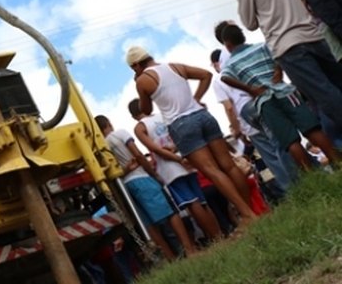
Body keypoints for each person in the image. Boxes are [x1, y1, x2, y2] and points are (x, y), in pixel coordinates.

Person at [126, 46, 258, 225]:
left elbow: (146, 109)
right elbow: (206, 75)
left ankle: (247, 215)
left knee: (212, 171)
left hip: (181, 124)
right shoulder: (175, 66)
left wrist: (139, 84)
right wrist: (196, 99)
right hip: (203, 116)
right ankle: (251, 211)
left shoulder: (143, 80)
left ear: (136, 65)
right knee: (228, 165)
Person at [222, 0, 342, 133]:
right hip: (313, 35)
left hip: (287, 45)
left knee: (322, 93)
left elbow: (249, 23)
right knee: (337, 81)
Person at [218, 24, 338, 172]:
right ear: (243, 37)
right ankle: (338, 161)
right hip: (285, 92)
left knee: (291, 141)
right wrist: (278, 70)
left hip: (264, 102)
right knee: (312, 129)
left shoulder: (230, 63)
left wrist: (250, 89)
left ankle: (314, 175)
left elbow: (224, 77)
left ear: (227, 45)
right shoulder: (262, 47)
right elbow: (277, 54)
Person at [94, 115, 197, 260]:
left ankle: (170, 258)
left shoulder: (100, 149)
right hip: (141, 178)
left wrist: (125, 171)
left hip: (125, 188)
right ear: (108, 124)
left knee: (149, 224)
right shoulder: (120, 134)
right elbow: (138, 155)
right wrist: (154, 174)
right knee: (170, 213)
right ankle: (190, 249)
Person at [127, 100, 222, 242]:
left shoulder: (140, 128)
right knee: (202, 201)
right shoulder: (164, 116)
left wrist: (177, 160)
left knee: (192, 203)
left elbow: (155, 149)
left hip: (170, 169)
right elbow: (180, 135)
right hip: (186, 158)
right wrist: (179, 154)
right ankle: (219, 234)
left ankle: (215, 239)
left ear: (133, 116)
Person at [209, 48, 297, 196]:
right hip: (262, 102)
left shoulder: (218, 79)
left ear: (216, 63)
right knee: (281, 142)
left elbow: (229, 107)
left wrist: (237, 129)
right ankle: (302, 175)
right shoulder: (238, 65)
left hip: (247, 115)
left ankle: (291, 189)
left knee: (271, 156)